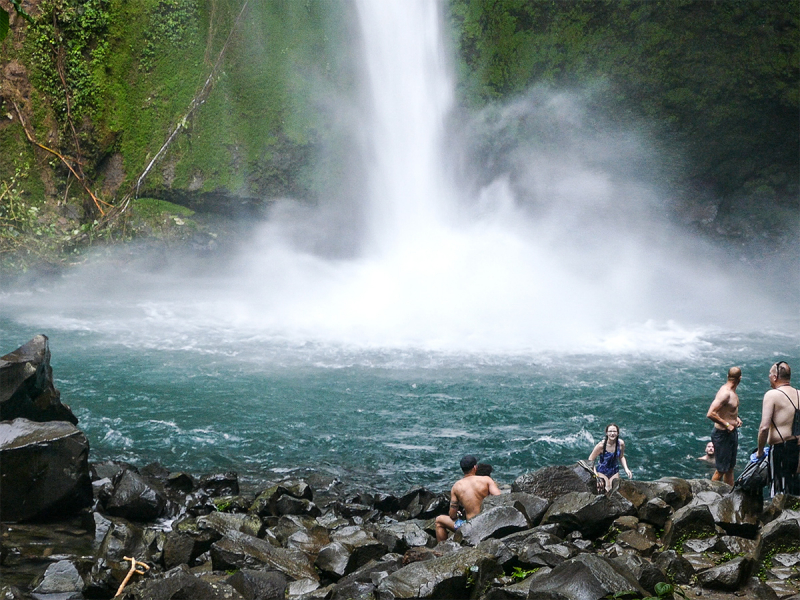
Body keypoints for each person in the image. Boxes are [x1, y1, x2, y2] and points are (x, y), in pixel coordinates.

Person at [757, 361, 800, 496]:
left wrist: (759, 452)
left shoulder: (772, 395)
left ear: (775, 377)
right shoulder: (799, 394)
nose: (769, 377)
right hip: (797, 448)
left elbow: (764, 427)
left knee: (778, 489)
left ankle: (780, 515)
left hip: (780, 450)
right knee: (793, 487)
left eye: (770, 374)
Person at [435, 455, 501, 542]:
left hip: (470, 528)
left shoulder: (456, 486)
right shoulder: (486, 480)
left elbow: (452, 515)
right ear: (475, 467)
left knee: (439, 520)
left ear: (462, 469)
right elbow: (500, 497)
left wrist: (458, 514)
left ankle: (443, 550)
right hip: (486, 523)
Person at [706, 366, 742, 486]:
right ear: (740, 378)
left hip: (731, 433)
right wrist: (727, 424)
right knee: (721, 469)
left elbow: (726, 410)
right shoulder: (725, 393)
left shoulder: (732, 392)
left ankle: (730, 494)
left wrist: (735, 419)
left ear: (728, 377)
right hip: (722, 434)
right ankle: (708, 494)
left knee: (730, 468)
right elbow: (710, 414)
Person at [588, 424, 632, 494]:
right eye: (610, 431)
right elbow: (590, 459)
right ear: (606, 433)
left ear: (618, 433)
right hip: (602, 471)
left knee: (614, 491)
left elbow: (621, 456)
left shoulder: (621, 444)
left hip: (614, 471)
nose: (612, 433)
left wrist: (626, 469)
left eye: (614, 431)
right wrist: (596, 475)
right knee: (606, 489)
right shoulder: (601, 446)